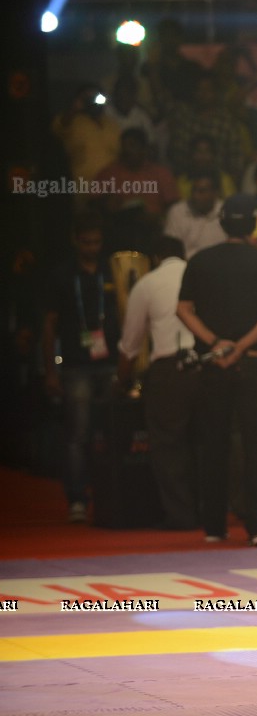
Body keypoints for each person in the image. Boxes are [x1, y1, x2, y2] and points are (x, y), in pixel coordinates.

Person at [176, 194, 257, 546]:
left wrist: (216, 344)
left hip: (214, 364)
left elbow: (183, 309)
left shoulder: (200, 261)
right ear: (254, 223)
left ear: (222, 222)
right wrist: (239, 347)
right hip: (253, 362)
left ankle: (213, 526)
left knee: (213, 443)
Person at [42, 213, 120, 523]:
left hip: (111, 359)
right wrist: (50, 370)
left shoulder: (110, 271)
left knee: (113, 429)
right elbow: (49, 325)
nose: (92, 248)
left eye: (96, 242)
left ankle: (113, 493)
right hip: (76, 363)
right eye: (86, 242)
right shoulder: (62, 276)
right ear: (76, 241)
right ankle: (76, 497)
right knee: (78, 433)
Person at [115, 235, 197, 530]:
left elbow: (130, 345)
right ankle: (216, 511)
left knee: (168, 443)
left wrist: (119, 382)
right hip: (209, 363)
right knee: (207, 440)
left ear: (155, 258)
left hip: (169, 368)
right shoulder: (198, 276)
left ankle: (182, 515)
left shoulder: (147, 284)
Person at [164, 173, 227, 258]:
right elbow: (170, 249)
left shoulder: (225, 211)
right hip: (186, 267)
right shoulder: (177, 212)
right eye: (194, 190)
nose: (195, 196)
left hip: (219, 266)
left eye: (202, 191)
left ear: (215, 193)